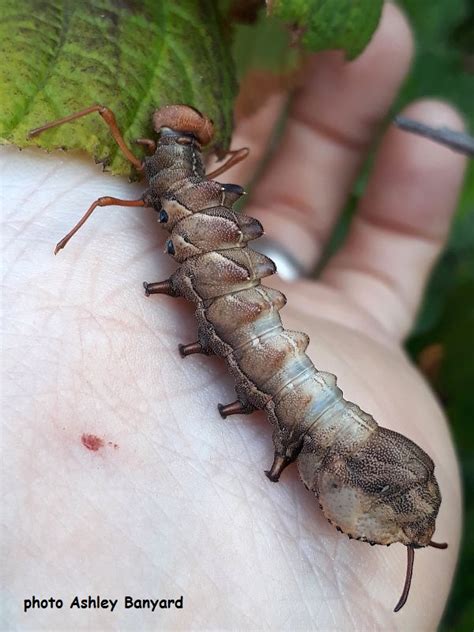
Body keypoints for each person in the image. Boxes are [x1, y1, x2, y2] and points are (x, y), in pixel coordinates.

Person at [1, 3, 466, 629]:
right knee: (272, 354)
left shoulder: (191, 198)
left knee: (280, 363)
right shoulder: (189, 200)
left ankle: (354, 452)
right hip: (283, 369)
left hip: (293, 382)